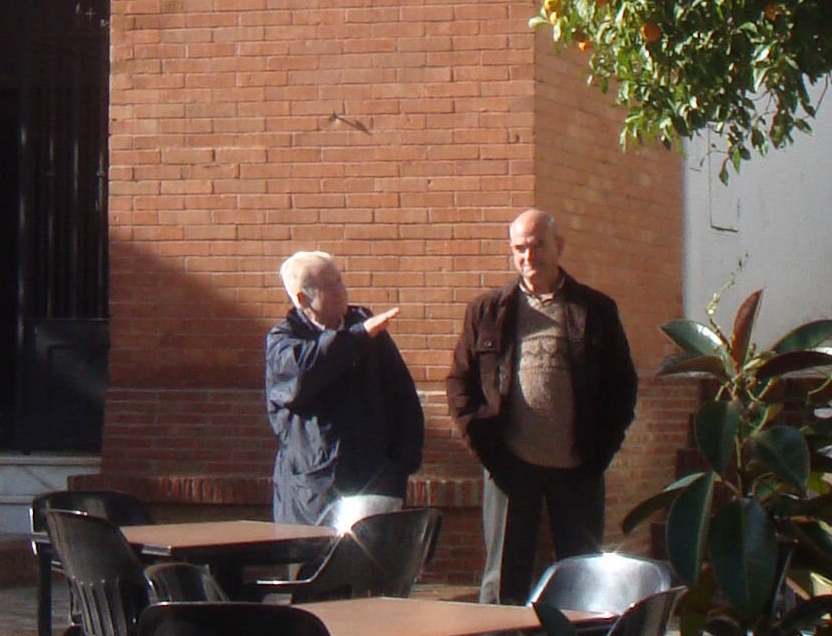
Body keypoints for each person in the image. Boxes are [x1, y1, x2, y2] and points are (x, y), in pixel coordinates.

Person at [446, 209, 639, 604]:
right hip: (510, 469)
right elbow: (459, 384)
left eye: (537, 246)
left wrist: (601, 450)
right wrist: (486, 451)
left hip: (578, 468)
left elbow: (623, 387)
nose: (528, 257)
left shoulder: (596, 310)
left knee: (581, 580)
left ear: (559, 247)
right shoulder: (487, 312)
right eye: (520, 249)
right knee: (502, 584)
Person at [264, 251, 425, 527]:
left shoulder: (371, 335)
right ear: (303, 299)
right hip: (311, 496)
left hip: (374, 488)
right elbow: (306, 374)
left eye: (340, 281)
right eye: (329, 286)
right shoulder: (284, 341)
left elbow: (404, 400)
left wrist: (399, 467)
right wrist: (357, 337)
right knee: (313, 570)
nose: (341, 291)